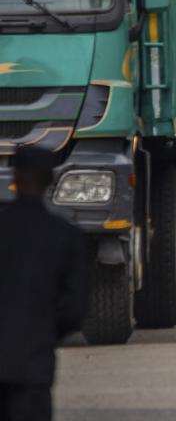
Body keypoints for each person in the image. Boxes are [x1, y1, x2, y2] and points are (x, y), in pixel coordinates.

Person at [0, 145, 90, 421]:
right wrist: (45, 332)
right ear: (51, 180)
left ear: (13, 176)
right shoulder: (67, 237)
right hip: (33, 368)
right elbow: (75, 311)